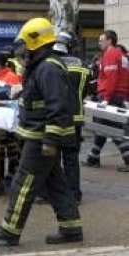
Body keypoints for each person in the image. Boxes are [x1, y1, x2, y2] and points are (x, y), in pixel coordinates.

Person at [0, 18, 82, 245]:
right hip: (39, 136)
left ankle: (9, 231)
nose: (21, 50)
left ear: (36, 42)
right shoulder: (42, 65)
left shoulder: (48, 67)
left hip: (42, 139)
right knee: (55, 183)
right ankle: (71, 228)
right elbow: (42, 100)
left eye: (24, 44)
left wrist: (50, 140)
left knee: (23, 183)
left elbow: (57, 107)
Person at [82, 30, 129, 172]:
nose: (99, 43)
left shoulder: (110, 54)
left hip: (110, 97)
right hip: (117, 96)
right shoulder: (120, 55)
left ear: (109, 41)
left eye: (101, 40)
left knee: (113, 130)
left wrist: (106, 99)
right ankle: (93, 158)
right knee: (101, 128)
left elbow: (111, 78)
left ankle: (127, 159)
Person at [53, 31, 90, 203]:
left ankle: (51, 193)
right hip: (76, 118)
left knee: (52, 157)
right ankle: (74, 194)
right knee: (71, 157)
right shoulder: (82, 65)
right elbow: (88, 91)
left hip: (55, 118)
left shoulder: (52, 64)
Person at [0, 52, 22, 194]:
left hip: (8, 119)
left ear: (1, 64)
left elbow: (15, 97)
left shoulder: (12, 77)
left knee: (11, 147)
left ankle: (11, 172)